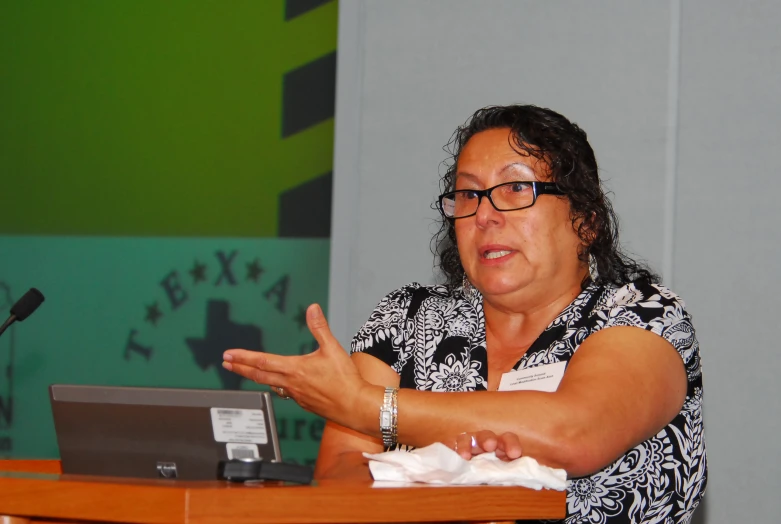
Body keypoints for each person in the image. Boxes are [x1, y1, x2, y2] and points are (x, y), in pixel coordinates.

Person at [222, 104, 707, 523]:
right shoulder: (408, 319)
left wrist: (368, 407)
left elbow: (574, 432)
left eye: (517, 190)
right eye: (468, 195)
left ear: (584, 220)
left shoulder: (643, 315)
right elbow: (341, 473)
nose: (485, 215)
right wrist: (436, 480)